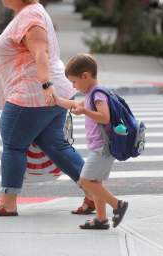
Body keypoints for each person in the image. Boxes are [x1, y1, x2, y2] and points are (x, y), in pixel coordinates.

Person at [0, 0, 94, 216]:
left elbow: (41, 53)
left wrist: (46, 87)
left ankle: (7, 203)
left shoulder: (30, 17)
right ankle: (95, 194)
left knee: (13, 146)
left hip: (31, 95)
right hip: (44, 93)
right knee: (55, 145)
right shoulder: (30, 13)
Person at [53, 53, 128, 229]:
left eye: (74, 82)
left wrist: (85, 112)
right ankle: (101, 219)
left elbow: (104, 117)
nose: (73, 86)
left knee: (85, 182)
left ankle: (118, 205)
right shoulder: (91, 93)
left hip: (102, 148)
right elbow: (74, 106)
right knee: (95, 183)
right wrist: (56, 100)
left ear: (85, 76)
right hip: (100, 147)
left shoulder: (97, 95)